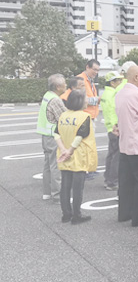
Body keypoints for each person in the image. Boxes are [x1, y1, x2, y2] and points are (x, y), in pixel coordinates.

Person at [115, 65, 138, 226]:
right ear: (136, 77)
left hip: (124, 144)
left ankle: (124, 212)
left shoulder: (121, 93)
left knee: (125, 182)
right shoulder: (136, 95)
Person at [54, 89, 97, 224]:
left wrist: (63, 150)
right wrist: (70, 150)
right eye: (85, 99)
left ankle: (66, 214)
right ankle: (76, 215)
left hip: (63, 155)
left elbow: (56, 134)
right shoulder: (85, 117)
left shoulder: (63, 116)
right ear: (80, 102)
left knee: (65, 186)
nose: (87, 101)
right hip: (78, 156)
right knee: (78, 188)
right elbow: (80, 136)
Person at [36, 74, 67, 203]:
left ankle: (47, 193)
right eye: (64, 83)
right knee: (56, 165)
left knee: (48, 165)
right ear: (58, 86)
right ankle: (57, 195)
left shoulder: (47, 95)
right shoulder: (55, 100)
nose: (66, 85)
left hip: (45, 135)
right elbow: (64, 117)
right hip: (54, 136)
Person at [101, 71, 123, 191]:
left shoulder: (106, 93)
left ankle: (107, 179)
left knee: (111, 155)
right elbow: (113, 112)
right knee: (116, 157)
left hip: (109, 128)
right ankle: (112, 182)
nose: (120, 82)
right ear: (112, 82)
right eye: (118, 80)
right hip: (115, 129)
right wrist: (116, 126)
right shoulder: (113, 95)